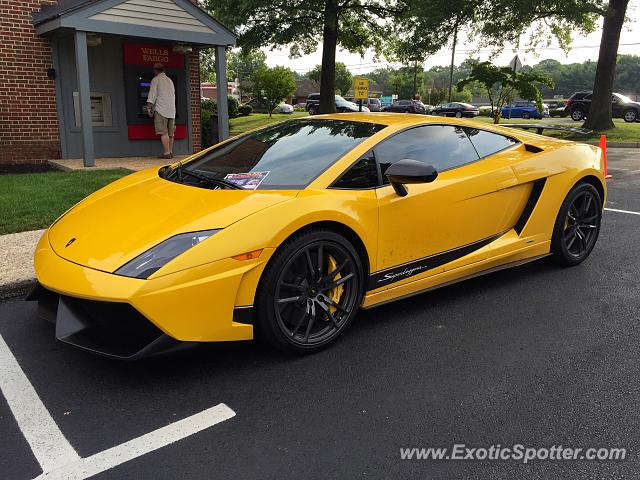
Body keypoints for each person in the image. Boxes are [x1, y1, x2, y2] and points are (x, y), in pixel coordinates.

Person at [146, 63, 176, 159]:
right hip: (172, 110)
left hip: (161, 109)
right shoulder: (170, 80)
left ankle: (166, 153)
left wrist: (149, 107)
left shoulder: (156, 80)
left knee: (163, 132)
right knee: (171, 133)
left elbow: (152, 95)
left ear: (155, 70)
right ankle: (170, 152)